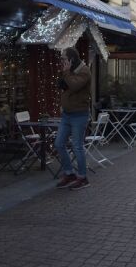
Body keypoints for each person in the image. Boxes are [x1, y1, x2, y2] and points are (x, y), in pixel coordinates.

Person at [55, 47, 92, 190]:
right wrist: (65, 73)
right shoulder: (68, 71)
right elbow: (61, 85)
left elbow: (75, 86)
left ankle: (82, 177)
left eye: (64, 58)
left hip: (79, 114)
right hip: (66, 114)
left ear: (71, 59)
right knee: (59, 144)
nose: (62, 61)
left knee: (77, 146)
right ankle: (69, 173)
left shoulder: (84, 71)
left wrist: (66, 72)